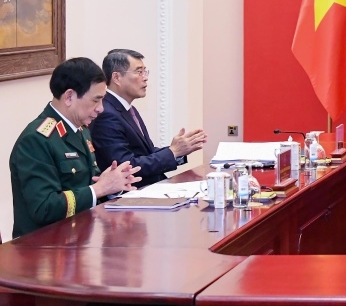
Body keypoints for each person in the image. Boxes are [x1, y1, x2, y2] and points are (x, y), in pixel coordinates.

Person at [10, 58, 141, 238]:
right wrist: (99, 189)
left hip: (77, 238)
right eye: (96, 100)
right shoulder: (36, 140)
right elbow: (44, 208)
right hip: (43, 246)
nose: (101, 109)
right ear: (69, 97)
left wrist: (113, 184)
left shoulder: (81, 130)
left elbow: (88, 185)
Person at [90, 49, 207, 187]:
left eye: (145, 72)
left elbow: (146, 153)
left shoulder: (129, 109)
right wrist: (173, 152)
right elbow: (126, 167)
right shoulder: (106, 114)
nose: (145, 78)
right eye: (139, 72)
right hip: (130, 195)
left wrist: (178, 151)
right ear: (117, 77)